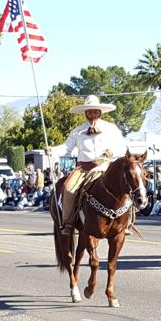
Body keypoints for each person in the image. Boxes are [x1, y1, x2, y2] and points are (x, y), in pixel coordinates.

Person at [45, 94, 126, 235]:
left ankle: (127, 221)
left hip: (106, 166)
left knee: (125, 186)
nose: (92, 114)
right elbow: (66, 148)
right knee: (68, 188)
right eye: (89, 112)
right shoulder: (77, 131)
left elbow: (123, 147)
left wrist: (112, 151)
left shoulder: (111, 128)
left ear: (100, 112)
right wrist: (52, 150)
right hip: (84, 168)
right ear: (85, 113)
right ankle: (68, 222)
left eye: (95, 111)